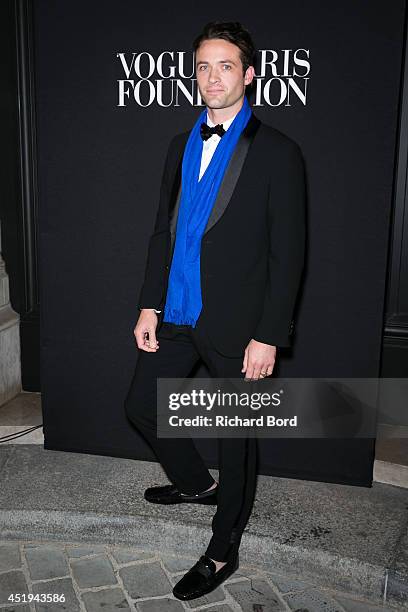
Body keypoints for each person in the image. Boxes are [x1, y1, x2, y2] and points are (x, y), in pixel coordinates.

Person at [124, 21, 306, 601]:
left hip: (237, 324)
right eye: (203, 66)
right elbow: (164, 232)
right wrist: (149, 304)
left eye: (225, 65)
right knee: (142, 406)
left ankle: (223, 547)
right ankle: (195, 484)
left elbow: (289, 254)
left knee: (236, 439)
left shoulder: (278, 152)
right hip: (176, 310)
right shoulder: (181, 144)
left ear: (249, 75)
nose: (212, 77)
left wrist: (269, 334)